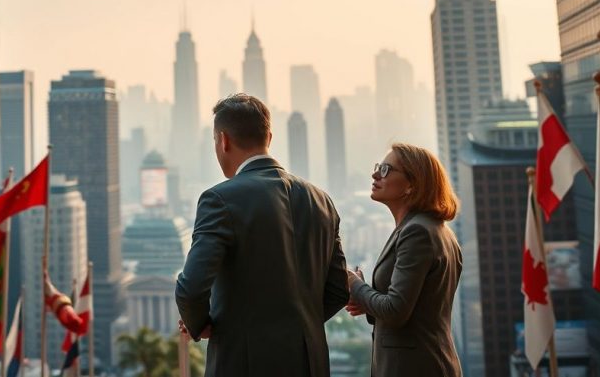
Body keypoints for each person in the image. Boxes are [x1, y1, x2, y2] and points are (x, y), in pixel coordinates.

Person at [175, 93, 350, 377]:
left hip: (244, 363)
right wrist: (298, 330)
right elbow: (338, 290)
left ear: (223, 141)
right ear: (269, 137)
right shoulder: (322, 200)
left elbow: (191, 288)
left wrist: (204, 324)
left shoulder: (219, 199)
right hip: (310, 362)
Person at [346, 143, 462, 376]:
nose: (375, 174)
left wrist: (354, 285)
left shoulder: (417, 232)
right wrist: (367, 301)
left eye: (386, 170)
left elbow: (396, 311)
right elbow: (417, 309)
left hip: (416, 367)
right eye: (378, 167)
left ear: (412, 185)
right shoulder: (434, 229)